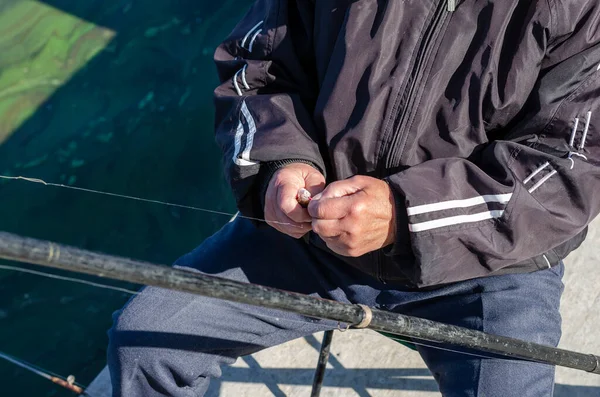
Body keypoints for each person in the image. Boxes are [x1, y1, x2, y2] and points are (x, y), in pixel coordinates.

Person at [108, 1, 600, 395]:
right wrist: (281, 162)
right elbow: (257, 65)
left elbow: (569, 168)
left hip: (488, 266)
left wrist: (402, 214)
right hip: (310, 237)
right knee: (144, 343)